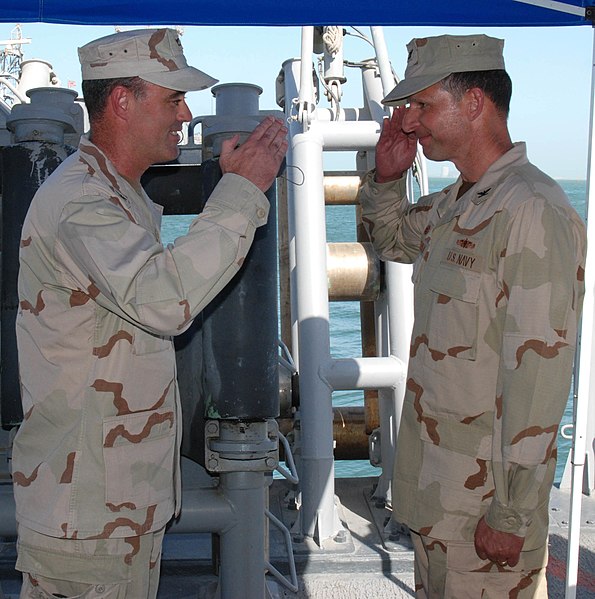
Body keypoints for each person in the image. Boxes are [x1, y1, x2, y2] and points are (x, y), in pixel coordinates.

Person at [11, 28, 287, 598]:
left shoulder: (117, 192)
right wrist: (240, 192)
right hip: (85, 518)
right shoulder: (82, 201)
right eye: (173, 98)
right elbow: (164, 301)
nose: (186, 113)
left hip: (111, 509)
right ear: (121, 101)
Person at [359, 34, 586, 598]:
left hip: (484, 509)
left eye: (421, 105)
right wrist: (386, 179)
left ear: (475, 103)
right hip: (440, 497)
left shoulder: (531, 211)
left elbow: (539, 376)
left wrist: (510, 512)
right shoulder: (457, 203)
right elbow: (387, 238)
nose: (408, 123)